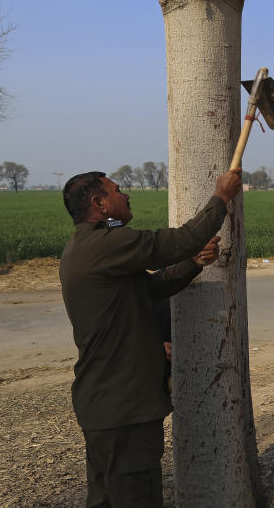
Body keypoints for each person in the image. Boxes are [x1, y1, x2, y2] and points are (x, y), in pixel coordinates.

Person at [59, 168, 243, 508]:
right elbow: (177, 240)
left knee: (105, 499)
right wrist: (222, 197)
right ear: (99, 204)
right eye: (117, 191)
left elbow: (151, 288)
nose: (126, 195)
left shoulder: (87, 249)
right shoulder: (107, 242)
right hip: (124, 411)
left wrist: (193, 263)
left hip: (104, 409)